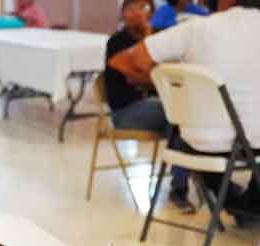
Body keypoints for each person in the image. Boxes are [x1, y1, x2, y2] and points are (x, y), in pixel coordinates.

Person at [109, 0, 260, 222]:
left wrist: (166, 79)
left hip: (205, 142)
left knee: (181, 121)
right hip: (255, 141)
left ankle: (234, 202)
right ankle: (244, 203)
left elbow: (129, 60)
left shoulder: (198, 27)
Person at [104, 0, 193, 210]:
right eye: (132, 8)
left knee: (181, 121)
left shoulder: (156, 37)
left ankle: (184, 180)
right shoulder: (117, 42)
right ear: (123, 12)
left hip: (152, 105)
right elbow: (145, 75)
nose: (137, 13)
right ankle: (181, 185)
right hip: (125, 111)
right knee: (179, 117)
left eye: (143, 8)